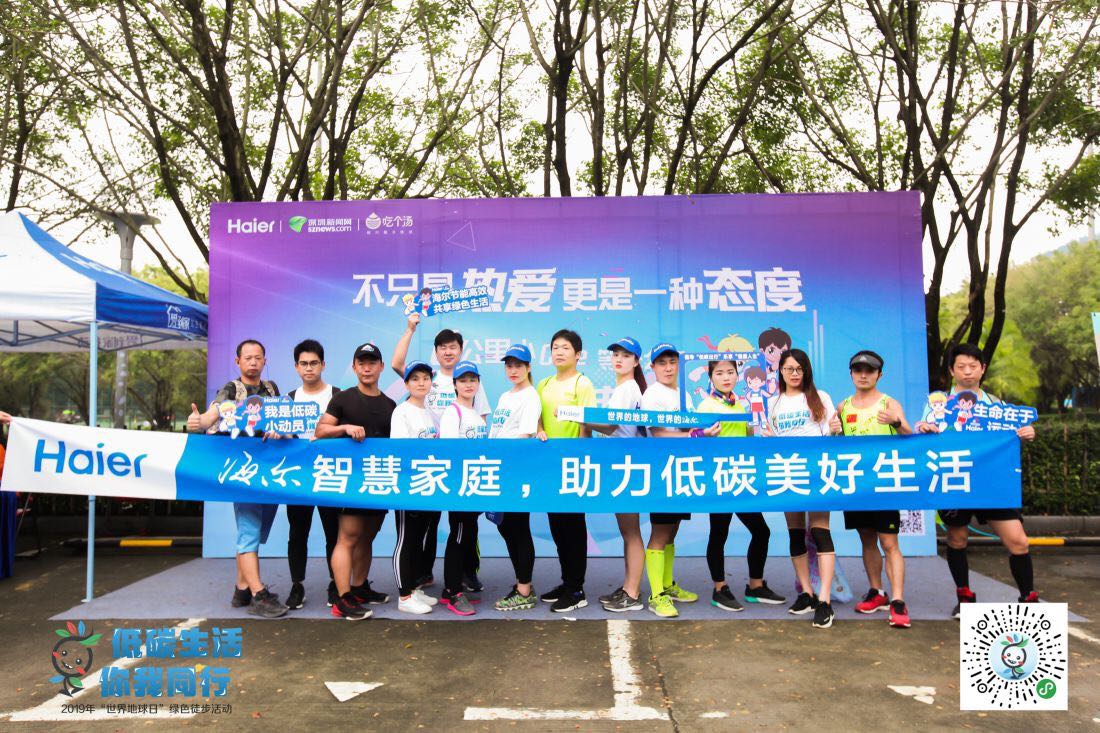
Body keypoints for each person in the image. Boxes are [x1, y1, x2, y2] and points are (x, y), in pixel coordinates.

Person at [915, 343, 1039, 616]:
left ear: (983, 369)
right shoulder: (937, 404)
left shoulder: (997, 406)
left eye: (973, 366)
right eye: (961, 366)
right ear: (952, 370)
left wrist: (1026, 433)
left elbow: (1012, 437)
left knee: (1018, 541)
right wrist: (925, 429)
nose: (967, 372)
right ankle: (965, 597)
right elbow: (923, 435)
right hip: (955, 479)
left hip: (991, 483)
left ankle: (1028, 599)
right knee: (957, 539)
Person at [187, 339, 288, 619]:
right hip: (243, 470)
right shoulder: (231, 389)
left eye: (258, 357)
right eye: (248, 357)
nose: (253, 362)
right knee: (249, 531)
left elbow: (282, 419)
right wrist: (199, 422)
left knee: (257, 530)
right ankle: (258, 594)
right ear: (238, 361)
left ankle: (241, 589)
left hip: (269, 471)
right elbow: (213, 414)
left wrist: (280, 430)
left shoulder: (272, 389)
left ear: (265, 361)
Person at [391, 316, 489, 592]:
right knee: (428, 521)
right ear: (435, 352)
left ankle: (468, 572)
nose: (448, 351)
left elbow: (480, 420)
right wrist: (410, 329)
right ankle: (422, 574)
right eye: (442, 347)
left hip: (461, 462)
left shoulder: (470, 380)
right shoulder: (427, 378)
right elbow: (397, 364)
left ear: (461, 350)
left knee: (466, 521)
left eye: (453, 347)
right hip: (429, 462)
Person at [830, 350, 913, 629]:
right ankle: (877, 592)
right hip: (857, 484)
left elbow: (909, 435)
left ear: (880, 374)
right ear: (851, 373)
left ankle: (898, 600)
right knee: (866, 539)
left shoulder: (889, 403)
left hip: (884, 483)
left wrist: (896, 423)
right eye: (858, 370)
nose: (863, 375)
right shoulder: (843, 406)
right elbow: (837, 443)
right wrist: (834, 431)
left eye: (869, 371)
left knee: (889, 543)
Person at [315, 342, 395, 620]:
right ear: (354, 367)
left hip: (380, 478)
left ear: (381, 367)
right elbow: (320, 430)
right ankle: (343, 598)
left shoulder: (390, 405)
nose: (367, 368)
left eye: (372, 362)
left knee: (368, 536)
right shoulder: (343, 399)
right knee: (348, 537)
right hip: (350, 482)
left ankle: (360, 587)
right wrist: (345, 428)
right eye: (362, 363)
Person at [698, 357, 785, 612]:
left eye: (730, 372)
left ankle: (755, 586)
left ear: (738, 376)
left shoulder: (739, 404)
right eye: (719, 373)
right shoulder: (706, 405)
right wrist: (703, 435)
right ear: (711, 377)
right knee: (719, 533)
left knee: (761, 531)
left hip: (740, 476)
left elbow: (745, 437)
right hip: (719, 478)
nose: (726, 377)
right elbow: (693, 438)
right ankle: (719, 589)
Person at [639, 343, 718, 618]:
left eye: (672, 362)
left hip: (682, 470)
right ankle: (656, 595)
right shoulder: (652, 394)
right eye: (662, 363)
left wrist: (704, 430)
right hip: (662, 470)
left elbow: (688, 428)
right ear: (652, 367)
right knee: (660, 533)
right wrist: (696, 435)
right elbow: (660, 434)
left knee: (671, 530)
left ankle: (666, 585)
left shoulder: (682, 393)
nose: (668, 368)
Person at [764, 348, 838, 629]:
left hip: (818, 472)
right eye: (788, 369)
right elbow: (773, 437)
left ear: (806, 371)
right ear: (780, 372)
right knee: (795, 533)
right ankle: (806, 593)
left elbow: (831, 433)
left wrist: (836, 429)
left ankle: (825, 600)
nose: (794, 374)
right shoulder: (774, 402)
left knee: (820, 531)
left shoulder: (821, 397)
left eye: (799, 368)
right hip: (788, 472)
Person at [535, 329, 597, 613]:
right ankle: (566, 581)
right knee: (557, 527)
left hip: (573, 466)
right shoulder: (544, 384)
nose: (559, 352)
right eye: (555, 347)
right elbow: (537, 418)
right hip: (549, 466)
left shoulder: (583, 383)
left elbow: (588, 425)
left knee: (573, 528)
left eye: (565, 348)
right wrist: (539, 430)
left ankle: (576, 589)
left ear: (578, 354)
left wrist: (580, 460)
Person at [588, 337, 648, 613]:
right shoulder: (626, 388)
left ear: (636, 361)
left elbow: (611, 426)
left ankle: (632, 593)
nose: (619, 359)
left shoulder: (628, 388)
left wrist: (577, 416)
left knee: (631, 532)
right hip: (623, 464)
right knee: (628, 531)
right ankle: (628, 587)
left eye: (626, 355)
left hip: (627, 465)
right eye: (616, 355)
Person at [284, 339, 341, 610]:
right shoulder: (288, 399)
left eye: (314, 363)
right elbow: (280, 435)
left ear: (323, 365)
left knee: (334, 533)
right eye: (304, 363)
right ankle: (297, 586)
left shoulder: (337, 396)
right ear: (296, 367)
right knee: (297, 533)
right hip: (298, 477)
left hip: (330, 475)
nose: (309, 368)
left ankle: (335, 583)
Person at [488, 344, 543, 612]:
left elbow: (525, 435)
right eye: (509, 365)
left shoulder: (531, 396)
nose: (513, 370)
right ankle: (522, 582)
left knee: (518, 527)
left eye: (518, 365)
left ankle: (524, 590)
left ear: (528, 367)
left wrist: (505, 462)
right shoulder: (504, 396)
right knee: (506, 527)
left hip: (516, 470)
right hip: (500, 469)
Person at [390, 360, 440, 615]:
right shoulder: (402, 412)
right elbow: (401, 452)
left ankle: (413, 588)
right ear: (406, 383)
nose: (421, 383)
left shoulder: (429, 412)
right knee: (406, 540)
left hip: (426, 487)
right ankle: (404, 596)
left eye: (425, 378)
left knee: (418, 539)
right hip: (407, 488)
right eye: (415, 379)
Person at [437, 360, 488, 616]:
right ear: (455, 384)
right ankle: (452, 592)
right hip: (460, 487)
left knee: (468, 534)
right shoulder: (452, 412)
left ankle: (457, 586)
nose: (468, 385)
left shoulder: (475, 414)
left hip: (475, 485)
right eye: (463, 380)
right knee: (458, 536)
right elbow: (449, 452)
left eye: (472, 380)